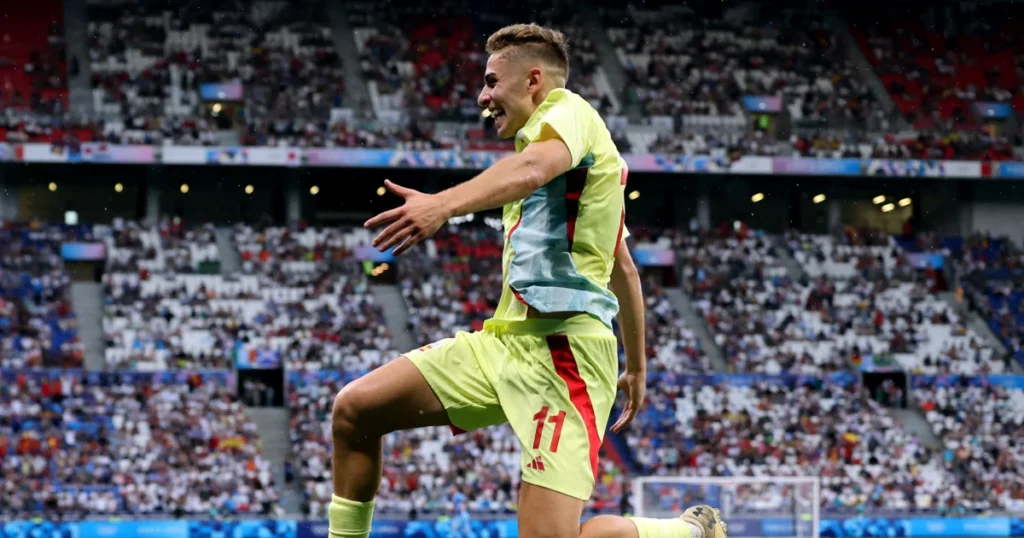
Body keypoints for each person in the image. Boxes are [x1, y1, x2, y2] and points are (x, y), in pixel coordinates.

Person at [328, 23, 727, 538]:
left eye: (493, 81)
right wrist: (639, 365)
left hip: (566, 361)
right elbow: (622, 266)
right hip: (505, 343)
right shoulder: (574, 176)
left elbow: (535, 166)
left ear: (534, 80)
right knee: (356, 409)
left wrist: (441, 206)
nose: (483, 94)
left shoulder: (570, 113)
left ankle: (689, 532)